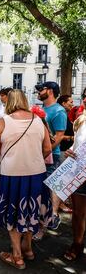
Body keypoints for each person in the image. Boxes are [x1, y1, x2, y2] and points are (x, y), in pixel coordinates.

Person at [0, 89, 52, 270]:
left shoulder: (3, 122)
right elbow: (47, 149)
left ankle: (17, 256)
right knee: (31, 211)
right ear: (25, 101)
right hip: (37, 173)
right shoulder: (38, 120)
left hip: (12, 175)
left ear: (9, 102)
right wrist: (32, 157)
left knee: (13, 212)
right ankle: (28, 248)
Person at [35, 81, 67, 231]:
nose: (39, 92)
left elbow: (59, 136)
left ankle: (50, 219)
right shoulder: (43, 108)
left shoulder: (59, 111)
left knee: (48, 190)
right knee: (41, 191)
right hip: (40, 155)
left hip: (50, 156)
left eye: (41, 89)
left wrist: (45, 152)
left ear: (51, 91)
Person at [63, 97, 86, 261]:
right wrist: (70, 151)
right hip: (79, 172)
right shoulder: (81, 121)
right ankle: (77, 243)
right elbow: (77, 145)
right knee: (78, 213)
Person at [57, 95, 74, 213]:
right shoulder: (61, 114)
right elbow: (58, 135)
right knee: (63, 178)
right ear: (63, 103)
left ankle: (62, 201)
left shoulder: (64, 114)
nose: (72, 104)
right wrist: (71, 137)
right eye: (70, 102)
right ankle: (60, 203)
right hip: (62, 150)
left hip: (65, 150)